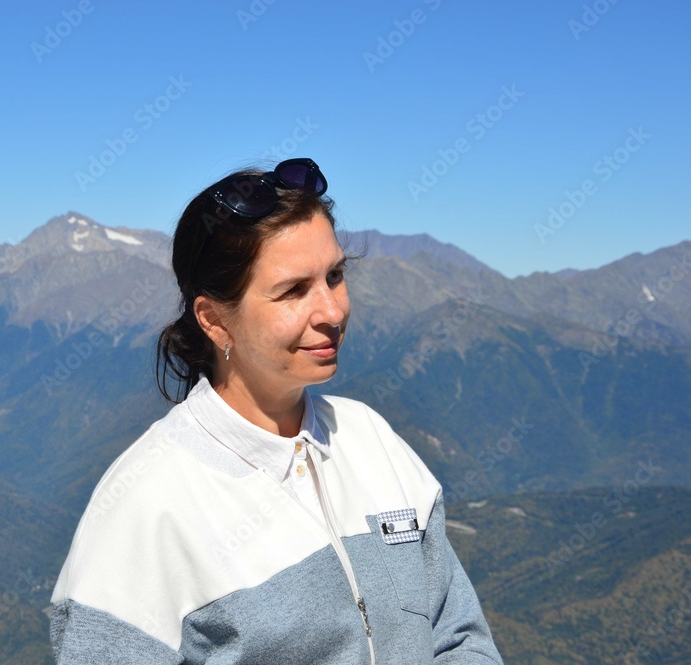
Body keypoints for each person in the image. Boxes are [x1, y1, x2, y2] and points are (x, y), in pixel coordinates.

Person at [49, 158, 503, 664]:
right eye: (292, 291)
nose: (331, 312)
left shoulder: (372, 439)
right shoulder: (145, 506)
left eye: (334, 276)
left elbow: (462, 638)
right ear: (215, 320)